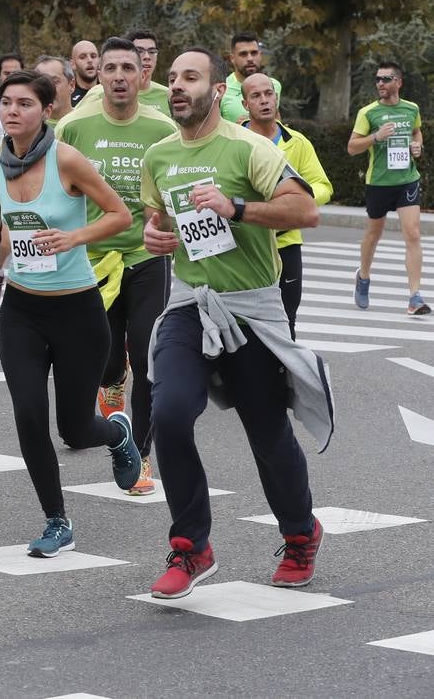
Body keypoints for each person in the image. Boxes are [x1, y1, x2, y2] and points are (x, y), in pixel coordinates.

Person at [141, 46, 327, 600]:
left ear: (217, 91)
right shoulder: (160, 156)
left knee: (267, 434)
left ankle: (300, 534)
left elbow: (305, 211)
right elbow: (159, 218)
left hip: (250, 308)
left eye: (190, 78)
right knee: (168, 414)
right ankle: (191, 545)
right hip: (189, 305)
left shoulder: (250, 149)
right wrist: (155, 235)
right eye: (172, 77)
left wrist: (237, 208)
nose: (176, 86)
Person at [0, 70, 140, 557]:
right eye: (7, 103)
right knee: (29, 415)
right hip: (22, 310)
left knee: (75, 429)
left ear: (47, 111)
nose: (13, 111)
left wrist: (73, 236)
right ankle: (57, 520)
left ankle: (117, 431)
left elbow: (119, 215)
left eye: (24, 104)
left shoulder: (68, 161)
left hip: (78, 309)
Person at [54, 37, 177, 496]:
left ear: (143, 75)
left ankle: (142, 454)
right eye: (112, 68)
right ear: (98, 75)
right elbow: (52, 181)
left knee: (148, 355)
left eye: (130, 67)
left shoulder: (162, 127)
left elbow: (178, 184)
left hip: (146, 255)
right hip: (93, 257)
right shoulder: (74, 126)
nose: (121, 76)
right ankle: (110, 383)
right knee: (104, 359)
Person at [241, 73, 332, 334]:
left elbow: (323, 186)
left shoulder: (297, 142)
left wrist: (296, 199)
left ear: (276, 98)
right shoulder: (233, 140)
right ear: (246, 104)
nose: (264, 100)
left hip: (286, 244)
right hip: (245, 244)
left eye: (268, 94)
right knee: (243, 322)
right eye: (256, 96)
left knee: (286, 321)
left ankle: (282, 374)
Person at [349, 61, 428, 315]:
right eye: (378, 79)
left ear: (399, 82)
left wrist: (418, 147)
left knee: (413, 234)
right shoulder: (368, 113)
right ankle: (363, 277)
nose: (380, 83)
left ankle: (415, 297)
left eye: (386, 79)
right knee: (373, 235)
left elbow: (417, 133)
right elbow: (352, 147)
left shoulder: (411, 109)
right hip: (379, 182)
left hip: (407, 179)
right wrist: (375, 137)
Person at [81, 30, 170, 109]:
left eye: (152, 52)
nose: (147, 57)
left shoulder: (168, 95)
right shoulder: (97, 94)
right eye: (139, 51)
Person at [221, 31, 282, 124]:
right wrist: (237, 130)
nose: (250, 59)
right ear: (232, 58)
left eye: (254, 53)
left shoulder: (274, 85)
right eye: (243, 54)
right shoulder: (221, 89)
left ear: (260, 55)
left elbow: (277, 121)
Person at [35, 55, 77, 122]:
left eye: (55, 82)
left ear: (71, 85)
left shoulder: (83, 121)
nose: (48, 88)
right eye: (42, 83)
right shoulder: (30, 127)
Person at [70, 39, 99, 104]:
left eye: (93, 56)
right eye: (83, 57)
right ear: (73, 64)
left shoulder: (109, 92)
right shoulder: (67, 97)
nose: (90, 60)